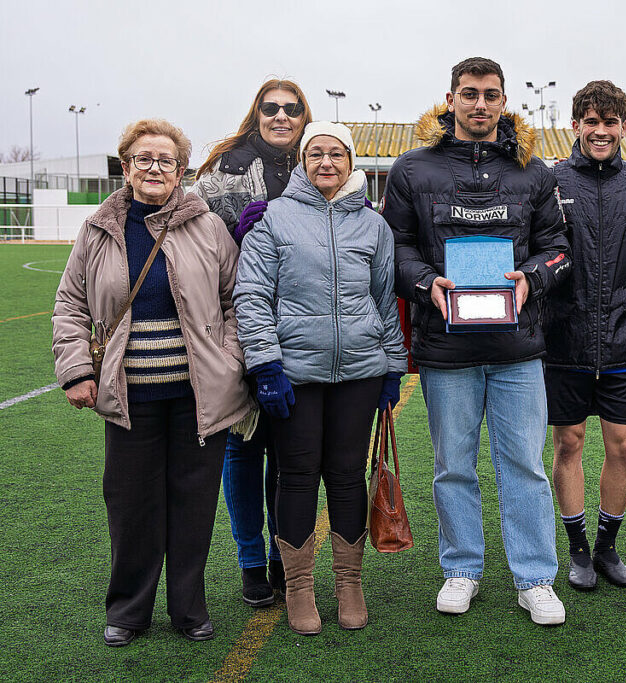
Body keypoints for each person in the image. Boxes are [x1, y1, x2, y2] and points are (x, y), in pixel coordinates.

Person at [383, 57, 571, 625]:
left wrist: (531, 277)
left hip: (518, 350)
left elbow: (558, 249)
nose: (480, 104)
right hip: (447, 350)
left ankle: (535, 578)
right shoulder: (412, 169)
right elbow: (395, 249)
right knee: (453, 468)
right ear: (451, 99)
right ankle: (461, 568)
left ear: (504, 101)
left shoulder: (533, 171)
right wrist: (425, 283)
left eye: (490, 95)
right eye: (469, 94)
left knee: (525, 467)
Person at [52, 119, 253, 646]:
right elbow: (70, 304)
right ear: (127, 167)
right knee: (131, 508)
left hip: (198, 395)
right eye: (144, 158)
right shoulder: (99, 228)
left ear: (181, 170)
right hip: (129, 396)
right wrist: (76, 369)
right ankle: (128, 610)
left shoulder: (206, 225)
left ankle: (188, 608)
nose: (155, 168)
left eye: (166, 160)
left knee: (194, 505)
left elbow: (237, 301)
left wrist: (229, 361)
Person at [234, 121, 407, 634]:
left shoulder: (374, 226)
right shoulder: (273, 219)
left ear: (351, 161)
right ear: (303, 162)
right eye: (316, 154)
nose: (326, 162)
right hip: (295, 374)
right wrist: (265, 365)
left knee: (348, 476)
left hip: (360, 372)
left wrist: (393, 366)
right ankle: (299, 587)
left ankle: (350, 584)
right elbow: (252, 296)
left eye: (336, 153)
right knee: (297, 476)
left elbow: (385, 301)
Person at [191, 79, 312, 607]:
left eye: (292, 108)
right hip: (239, 328)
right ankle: (250, 561)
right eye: (271, 107)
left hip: (304, 330)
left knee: (289, 456)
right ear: (256, 113)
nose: (281, 116)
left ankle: (287, 556)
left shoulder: (319, 163)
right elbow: (194, 248)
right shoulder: (224, 171)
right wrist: (235, 238)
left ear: (305, 115)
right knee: (243, 450)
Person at [544, 80, 626, 591]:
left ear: (624, 128)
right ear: (575, 126)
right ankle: (578, 551)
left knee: (624, 445)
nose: (600, 131)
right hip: (564, 339)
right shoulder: (551, 182)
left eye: (610, 122)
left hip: (623, 338)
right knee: (569, 442)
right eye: (591, 122)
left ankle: (608, 547)